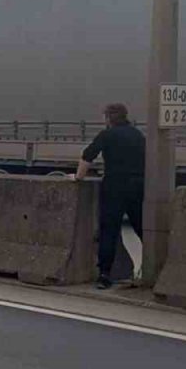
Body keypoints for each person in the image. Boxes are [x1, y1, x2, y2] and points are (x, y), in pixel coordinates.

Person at [75, 102, 145, 289]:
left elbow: (88, 156)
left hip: (114, 186)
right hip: (138, 186)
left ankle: (105, 274)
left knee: (109, 230)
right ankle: (153, 269)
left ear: (108, 119)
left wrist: (78, 177)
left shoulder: (107, 135)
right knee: (143, 228)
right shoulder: (138, 135)